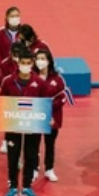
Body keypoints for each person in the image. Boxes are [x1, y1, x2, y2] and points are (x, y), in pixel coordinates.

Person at [0, 51, 43, 196]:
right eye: (23, 63)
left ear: (32, 64)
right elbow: (2, 100)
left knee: (30, 156)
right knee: (13, 157)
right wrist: (0, 117)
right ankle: (12, 186)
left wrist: (47, 119)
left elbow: (45, 103)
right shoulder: (8, 81)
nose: (25, 66)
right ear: (18, 64)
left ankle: (27, 186)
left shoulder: (39, 82)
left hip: (32, 126)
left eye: (28, 63)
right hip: (13, 125)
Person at [34, 48, 68, 182]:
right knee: (33, 144)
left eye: (43, 59)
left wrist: (48, 107)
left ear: (49, 61)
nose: (40, 62)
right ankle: (34, 168)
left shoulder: (57, 79)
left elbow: (62, 97)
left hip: (52, 118)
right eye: (38, 59)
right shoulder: (31, 77)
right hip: (36, 117)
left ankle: (49, 169)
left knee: (50, 144)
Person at [0, 6, 22, 74]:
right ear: (6, 17)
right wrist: (1, 66)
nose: (15, 18)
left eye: (17, 16)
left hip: (22, 69)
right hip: (5, 70)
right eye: (12, 16)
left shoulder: (25, 32)